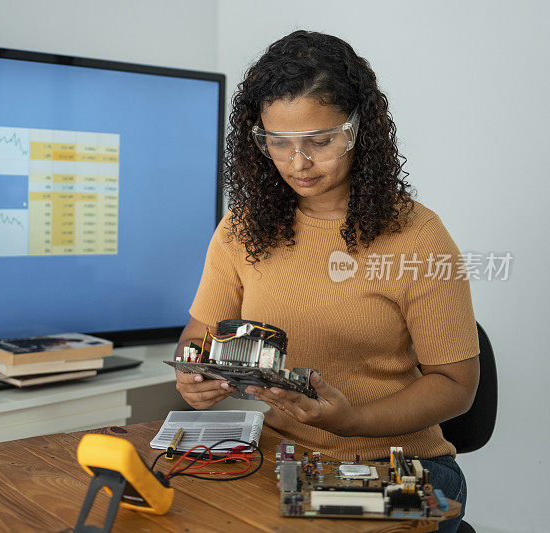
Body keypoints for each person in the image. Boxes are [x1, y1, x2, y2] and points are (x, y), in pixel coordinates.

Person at [174, 31, 479, 532]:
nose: (299, 163)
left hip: (401, 465)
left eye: (320, 141)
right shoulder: (241, 228)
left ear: (360, 130)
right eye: (279, 142)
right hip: (277, 456)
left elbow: (456, 386)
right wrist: (194, 373)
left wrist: (350, 422)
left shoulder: (418, 235)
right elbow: (197, 334)